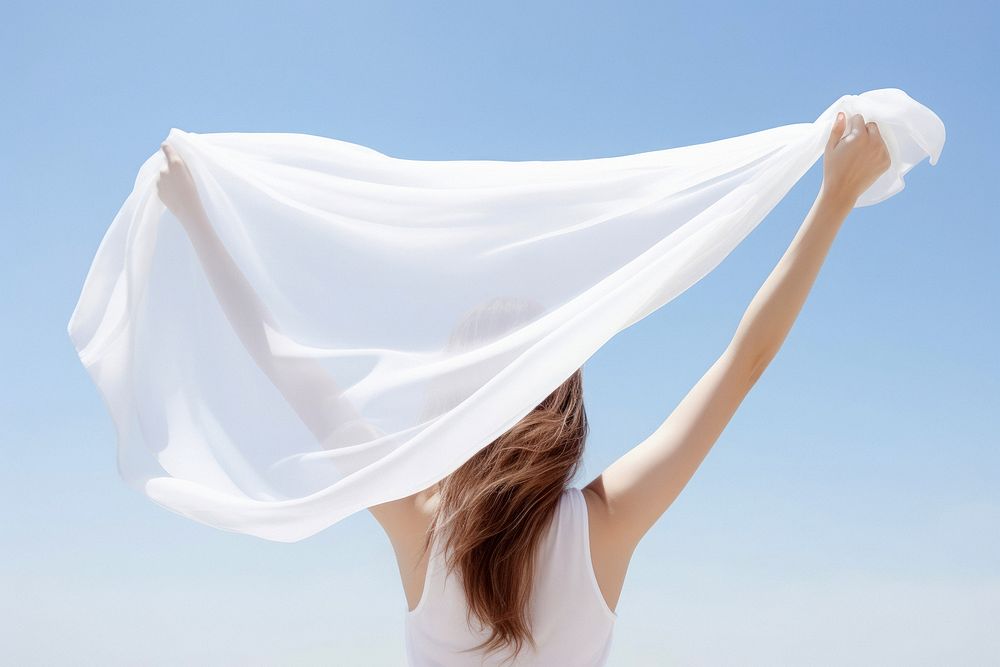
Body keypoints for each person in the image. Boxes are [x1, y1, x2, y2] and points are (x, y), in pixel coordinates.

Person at [156, 110, 890, 666]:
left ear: (456, 405)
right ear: (564, 406)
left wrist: (198, 221)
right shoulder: (605, 521)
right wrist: (832, 201)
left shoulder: (417, 520)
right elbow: (746, 359)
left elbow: (290, 366)